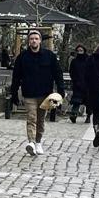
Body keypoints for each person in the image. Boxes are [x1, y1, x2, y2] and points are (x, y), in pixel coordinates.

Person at [9, 28, 65, 157]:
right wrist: (14, 93)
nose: (34, 41)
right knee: (31, 118)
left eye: (36, 38)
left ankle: (38, 142)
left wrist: (61, 91)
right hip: (29, 93)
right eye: (31, 39)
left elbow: (58, 74)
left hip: (45, 94)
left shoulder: (49, 56)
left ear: (40, 41)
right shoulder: (22, 57)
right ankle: (31, 143)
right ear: (28, 41)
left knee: (41, 120)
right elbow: (16, 76)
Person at [68, 43, 91, 123]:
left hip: (88, 84)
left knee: (88, 102)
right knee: (76, 100)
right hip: (77, 83)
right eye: (78, 50)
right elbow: (71, 71)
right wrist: (74, 80)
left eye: (81, 50)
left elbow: (93, 71)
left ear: (84, 51)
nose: (79, 52)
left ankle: (88, 116)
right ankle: (74, 114)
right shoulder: (74, 61)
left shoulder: (89, 60)